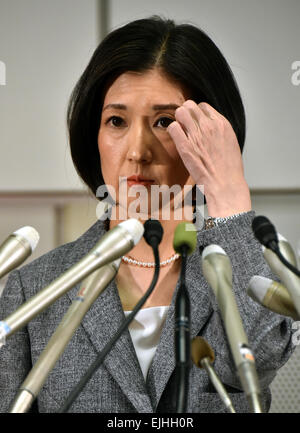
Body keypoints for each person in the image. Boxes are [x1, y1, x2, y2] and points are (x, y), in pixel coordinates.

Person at [0, 16, 295, 413]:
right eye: (116, 121)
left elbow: (260, 352)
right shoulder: (32, 290)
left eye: (164, 122)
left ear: (211, 135)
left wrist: (230, 196)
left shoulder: (246, 271)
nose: (137, 150)